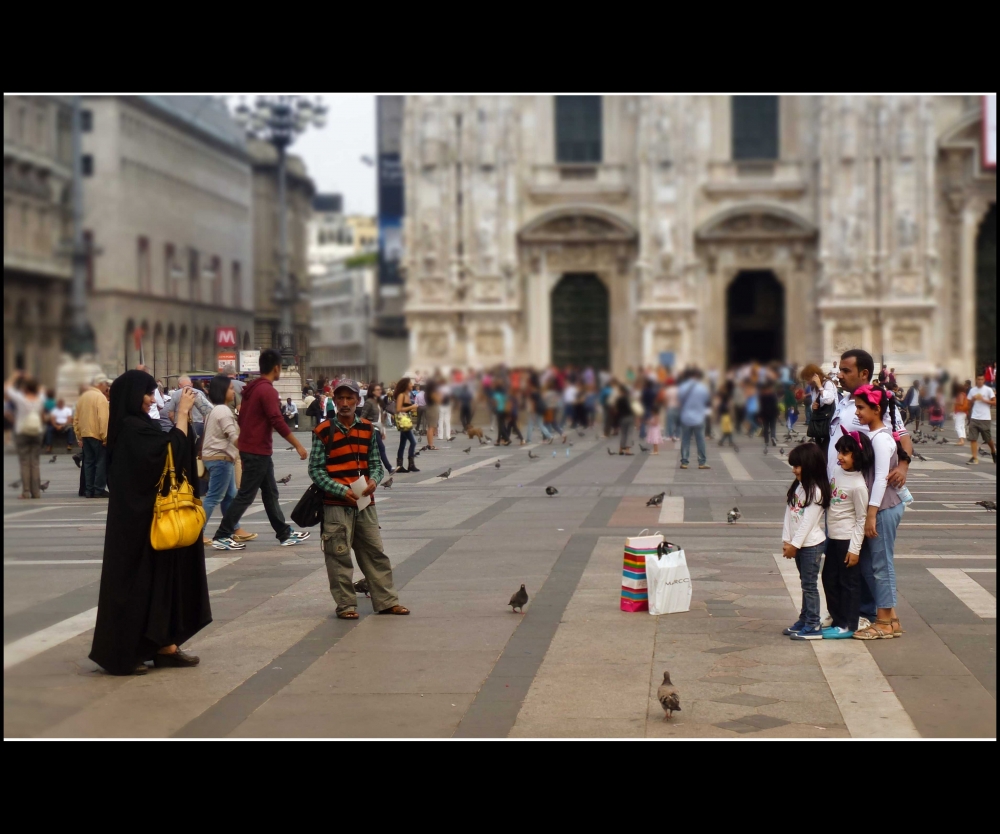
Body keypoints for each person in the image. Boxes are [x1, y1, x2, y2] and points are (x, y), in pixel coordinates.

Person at [89, 371, 211, 675]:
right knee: (138, 586)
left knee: (161, 581)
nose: (150, 399)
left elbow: (170, 449)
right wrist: (182, 413)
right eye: (146, 393)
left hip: (150, 519)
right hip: (137, 526)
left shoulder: (136, 426)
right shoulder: (131, 429)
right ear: (131, 395)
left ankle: (164, 645)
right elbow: (171, 451)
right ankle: (126, 652)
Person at [308, 379, 409, 619]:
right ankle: (346, 605)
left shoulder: (367, 430)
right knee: (338, 555)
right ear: (334, 401)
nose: (344, 403)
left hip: (365, 502)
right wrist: (343, 491)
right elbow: (316, 470)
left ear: (357, 401)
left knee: (375, 552)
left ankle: (386, 601)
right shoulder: (323, 431)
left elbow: (375, 464)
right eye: (340, 398)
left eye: (349, 398)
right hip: (336, 504)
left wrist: (374, 480)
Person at [210, 348, 311, 550]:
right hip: (257, 450)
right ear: (276, 368)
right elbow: (277, 420)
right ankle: (222, 534)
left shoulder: (253, 389)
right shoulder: (267, 390)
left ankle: (283, 533)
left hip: (255, 450)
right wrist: (298, 444)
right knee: (246, 494)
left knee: (270, 492)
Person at [851, 382, 908, 640]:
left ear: (876, 409)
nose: (857, 412)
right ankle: (891, 619)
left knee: (881, 565)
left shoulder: (883, 439)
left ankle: (884, 622)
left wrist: (870, 515)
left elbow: (882, 479)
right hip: (877, 507)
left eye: (861, 408)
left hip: (882, 507)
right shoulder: (873, 435)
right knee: (870, 564)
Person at [822, 428, 871, 638]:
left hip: (847, 540)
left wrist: (855, 549)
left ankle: (849, 625)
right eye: (839, 452)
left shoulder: (859, 485)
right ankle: (838, 619)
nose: (840, 457)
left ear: (857, 455)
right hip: (832, 537)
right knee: (828, 578)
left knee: (849, 583)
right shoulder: (837, 472)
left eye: (845, 453)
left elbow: (862, 519)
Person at [781, 443, 831, 641]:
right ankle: (804, 619)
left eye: (797, 466)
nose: (794, 470)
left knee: (809, 585)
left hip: (811, 544)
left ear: (810, 466)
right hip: (798, 544)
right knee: (805, 583)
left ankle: (813, 624)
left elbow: (808, 523)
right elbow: (789, 514)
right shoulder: (799, 487)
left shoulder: (817, 491)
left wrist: (795, 545)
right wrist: (786, 539)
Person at [200, 374, 256, 545]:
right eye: (231, 388)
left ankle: (234, 527)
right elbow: (232, 435)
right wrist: (248, 449)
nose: (234, 391)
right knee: (214, 497)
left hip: (219, 457)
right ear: (223, 390)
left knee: (229, 496)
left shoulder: (215, 409)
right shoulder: (223, 411)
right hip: (220, 458)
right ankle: (197, 531)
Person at [4, 371, 46, 499]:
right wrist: (30, 377)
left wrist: (15, 376)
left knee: (24, 462)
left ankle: (26, 492)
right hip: (37, 432)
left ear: (26, 388)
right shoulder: (40, 399)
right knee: (35, 462)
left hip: (22, 432)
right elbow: (42, 388)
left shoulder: (21, 399)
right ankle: (36, 492)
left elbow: (7, 388)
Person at [74, 373, 111, 498]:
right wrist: (105, 437)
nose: (106, 387)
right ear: (99, 383)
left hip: (85, 434)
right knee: (101, 462)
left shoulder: (83, 397)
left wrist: (79, 435)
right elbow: (103, 419)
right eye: (105, 384)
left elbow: (76, 418)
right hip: (97, 434)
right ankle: (98, 489)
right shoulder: (100, 397)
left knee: (88, 462)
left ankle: (88, 490)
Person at [677, 369, 711, 470]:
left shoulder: (682, 387)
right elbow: (706, 402)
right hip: (699, 418)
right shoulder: (703, 388)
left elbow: (679, 401)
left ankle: (684, 462)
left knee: (685, 440)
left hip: (686, 417)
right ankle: (702, 462)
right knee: (700, 440)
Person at [166, 375, 212, 439]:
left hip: (181, 425)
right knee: (197, 446)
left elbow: (170, 414)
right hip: (198, 424)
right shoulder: (200, 393)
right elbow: (206, 412)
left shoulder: (175, 394)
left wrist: (176, 424)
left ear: (179, 385)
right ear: (191, 384)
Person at [361, 383, 393, 474]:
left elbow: (381, 418)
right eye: (377, 390)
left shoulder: (378, 402)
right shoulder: (369, 402)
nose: (380, 391)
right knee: (381, 447)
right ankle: (389, 468)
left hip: (378, 428)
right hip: (372, 428)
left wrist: (383, 431)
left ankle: (367, 468)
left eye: (380, 389)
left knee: (372, 450)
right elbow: (363, 417)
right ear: (372, 391)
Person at [966, 372, 997, 465]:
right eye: (978, 379)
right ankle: (974, 458)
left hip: (985, 418)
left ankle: (993, 450)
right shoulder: (972, 391)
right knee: (973, 438)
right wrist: (973, 400)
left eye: (981, 379)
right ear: (976, 380)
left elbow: (994, 402)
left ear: (984, 380)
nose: (980, 381)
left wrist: (984, 400)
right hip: (974, 417)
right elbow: (968, 404)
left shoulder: (988, 390)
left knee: (987, 439)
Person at [394, 377, 419, 473]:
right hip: (403, 421)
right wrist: (412, 406)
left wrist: (412, 408)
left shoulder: (408, 395)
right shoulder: (401, 395)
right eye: (410, 383)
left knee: (402, 443)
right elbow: (398, 409)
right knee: (413, 442)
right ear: (406, 385)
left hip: (406, 421)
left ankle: (399, 466)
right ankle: (411, 464)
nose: (412, 385)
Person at [952, 380, 970, 446]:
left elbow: (961, 403)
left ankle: (961, 440)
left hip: (960, 412)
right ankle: (962, 439)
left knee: (958, 426)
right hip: (963, 412)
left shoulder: (960, 394)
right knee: (962, 426)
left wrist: (954, 402)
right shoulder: (964, 394)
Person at [424, 380, 440, 449]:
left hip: (429, 408)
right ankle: (431, 445)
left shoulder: (426, 393)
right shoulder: (432, 393)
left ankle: (430, 444)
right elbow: (439, 400)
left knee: (430, 427)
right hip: (432, 409)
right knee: (431, 427)